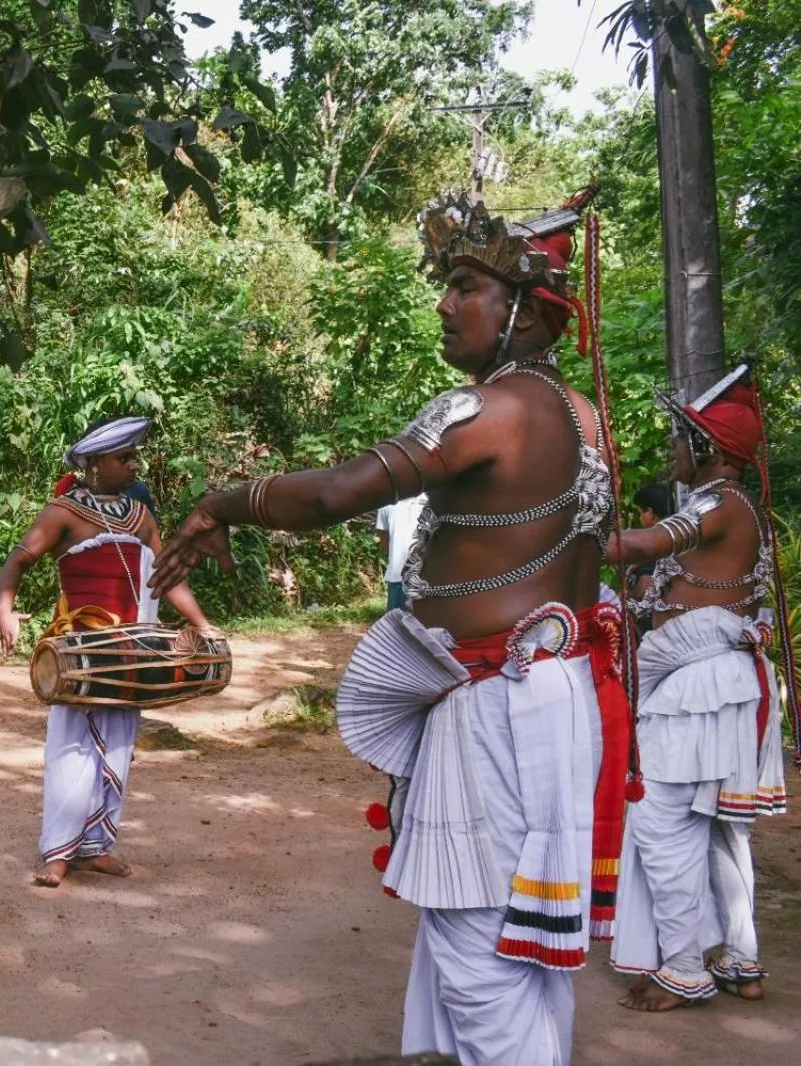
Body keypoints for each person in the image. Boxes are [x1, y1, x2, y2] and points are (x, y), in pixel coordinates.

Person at [151, 190, 633, 1066]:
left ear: (524, 308)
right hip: (554, 701)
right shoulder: (587, 419)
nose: (445, 305)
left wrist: (218, 502)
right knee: (527, 951)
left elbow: (340, 492)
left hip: (497, 704)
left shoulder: (488, 411)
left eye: (464, 285)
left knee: (475, 946)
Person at [607, 367, 794, 1010]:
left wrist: (559, 539)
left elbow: (647, 543)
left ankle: (685, 966)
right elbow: (664, 579)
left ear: (707, 451)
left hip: (699, 689)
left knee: (661, 822)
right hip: (717, 681)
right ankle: (742, 960)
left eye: (677, 442)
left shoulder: (714, 504)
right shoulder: (737, 507)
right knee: (719, 830)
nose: (670, 454)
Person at [0, 415, 214, 888]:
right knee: (72, 745)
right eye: (124, 458)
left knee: (117, 747)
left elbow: (167, 578)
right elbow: (19, 559)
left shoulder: (141, 517)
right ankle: (59, 851)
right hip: (83, 651)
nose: (133, 466)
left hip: (131, 651)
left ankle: (94, 847)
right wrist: (4, 609)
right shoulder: (63, 512)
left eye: (133, 457)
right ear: (94, 465)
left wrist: (202, 626)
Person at [625, 482, 673, 633]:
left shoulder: (653, 543)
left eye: (641, 512)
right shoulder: (677, 537)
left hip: (651, 625)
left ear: (651, 513)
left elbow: (645, 585)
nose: (640, 517)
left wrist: (628, 597)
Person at [375, 494, 427, 611]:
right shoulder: (386, 505)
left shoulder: (428, 503)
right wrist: (395, 556)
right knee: (396, 623)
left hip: (425, 576)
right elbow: (383, 535)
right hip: (397, 575)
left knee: (424, 624)